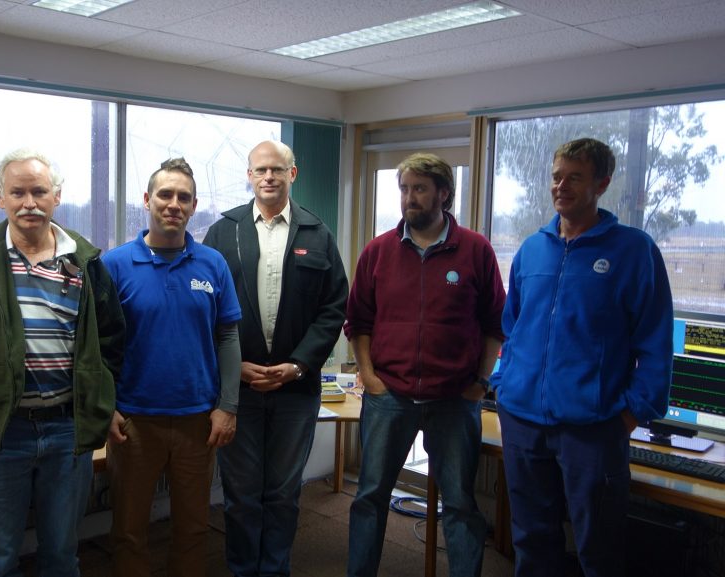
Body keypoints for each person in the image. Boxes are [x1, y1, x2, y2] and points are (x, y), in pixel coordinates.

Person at [492, 138, 674, 577]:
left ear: (602, 184)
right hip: (523, 421)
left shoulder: (633, 250)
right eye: (557, 176)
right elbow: (512, 327)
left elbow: (654, 341)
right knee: (531, 543)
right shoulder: (532, 249)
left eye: (575, 177)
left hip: (592, 430)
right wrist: (503, 384)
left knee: (599, 549)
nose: (561, 186)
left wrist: (631, 415)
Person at [0, 148, 125, 577]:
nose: (29, 203)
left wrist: (102, 402)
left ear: (56, 196)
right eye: (17, 192)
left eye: (39, 192)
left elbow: (112, 339)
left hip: (67, 432)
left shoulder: (85, 261)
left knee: (61, 556)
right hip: (1, 433)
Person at [344, 152, 506, 577]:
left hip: (455, 399)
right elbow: (357, 321)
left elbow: (495, 324)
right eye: (404, 189)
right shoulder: (378, 252)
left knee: (459, 504)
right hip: (389, 396)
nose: (409, 198)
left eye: (419, 189)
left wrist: (482, 381)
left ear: (443, 193)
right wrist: (368, 375)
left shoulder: (475, 251)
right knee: (370, 497)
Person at [203, 140, 348, 577]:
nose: (268, 177)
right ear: (249, 176)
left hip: (296, 389)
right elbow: (204, 310)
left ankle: (275, 569)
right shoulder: (222, 232)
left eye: (277, 170)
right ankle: (244, 569)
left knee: (283, 493)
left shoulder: (316, 233)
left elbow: (333, 307)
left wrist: (300, 364)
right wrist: (233, 366)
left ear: (293, 174)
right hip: (238, 390)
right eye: (260, 170)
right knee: (242, 493)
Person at [102, 157, 242, 577]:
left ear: (194, 205)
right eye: (165, 194)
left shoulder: (212, 264)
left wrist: (228, 406)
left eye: (183, 197)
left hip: (197, 421)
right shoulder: (114, 264)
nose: (173, 204)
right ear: (147, 200)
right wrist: (106, 406)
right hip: (133, 422)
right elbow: (98, 345)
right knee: (128, 530)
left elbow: (228, 338)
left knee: (194, 527)